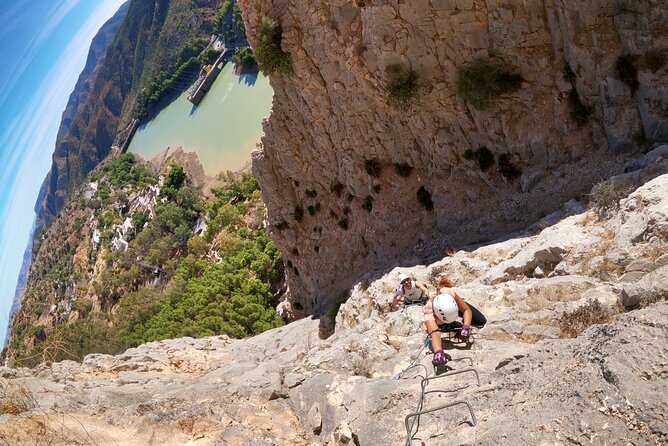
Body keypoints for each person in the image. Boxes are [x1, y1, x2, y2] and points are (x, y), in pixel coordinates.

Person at [424, 277, 487, 367]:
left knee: (480, 321)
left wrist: (466, 326)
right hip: (441, 321)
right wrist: (438, 351)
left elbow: (466, 310)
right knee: (444, 328)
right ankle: (449, 325)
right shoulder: (429, 312)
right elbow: (435, 334)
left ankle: (455, 323)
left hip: (454, 308)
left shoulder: (449, 293)